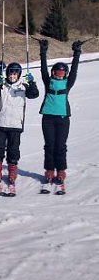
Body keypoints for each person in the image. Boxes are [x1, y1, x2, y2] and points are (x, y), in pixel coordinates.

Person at [38, 39, 82, 188]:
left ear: (65, 74)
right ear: (53, 73)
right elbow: (43, 69)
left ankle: (61, 170)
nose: (59, 74)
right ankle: (50, 170)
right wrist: (43, 52)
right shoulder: (47, 81)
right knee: (49, 145)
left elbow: (75, 70)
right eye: (57, 72)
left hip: (63, 119)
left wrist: (77, 53)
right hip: (48, 118)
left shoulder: (68, 83)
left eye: (62, 72)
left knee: (60, 145)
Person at [0, 62, 39, 187]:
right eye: (10, 73)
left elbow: (34, 95)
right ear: (7, 74)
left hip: (16, 124)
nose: (12, 75)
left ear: (19, 74)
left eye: (15, 73)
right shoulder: (3, 85)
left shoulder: (23, 86)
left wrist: (32, 83)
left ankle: (12, 170)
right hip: (2, 122)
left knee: (13, 149)